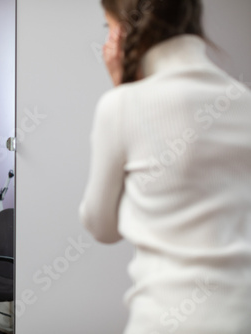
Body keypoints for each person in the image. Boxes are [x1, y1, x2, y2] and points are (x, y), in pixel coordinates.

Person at [79, 1, 251, 333]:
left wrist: (123, 88)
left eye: (107, 26)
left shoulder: (121, 105)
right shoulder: (245, 101)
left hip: (165, 318)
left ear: (122, 30)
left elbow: (102, 227)